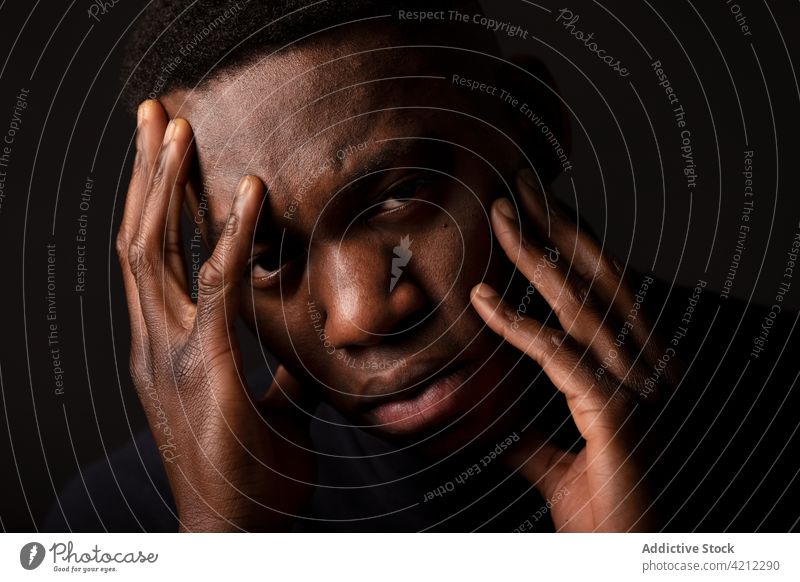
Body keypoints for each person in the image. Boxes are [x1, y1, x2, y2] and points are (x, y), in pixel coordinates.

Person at [47, 0, 799, 532]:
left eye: (399, 195)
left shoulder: (778, 402)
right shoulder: (128, 526)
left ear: (532, 129)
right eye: (267, 257)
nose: (361, 313)